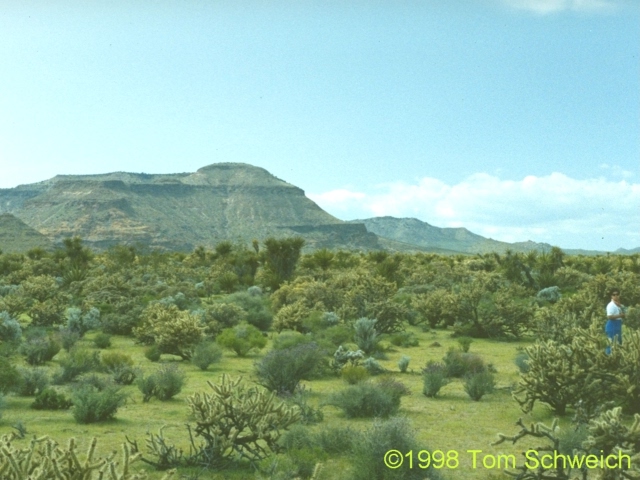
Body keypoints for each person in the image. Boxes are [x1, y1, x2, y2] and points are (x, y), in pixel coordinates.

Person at [605, 289, 625, 354]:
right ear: (611, 296)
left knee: (618, 342)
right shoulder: (611, 305)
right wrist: (620, 315)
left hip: (617, 324)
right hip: (612, 325)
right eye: (614, 295)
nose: (616, 296)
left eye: (617, 294)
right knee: (611, 343)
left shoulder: (617, 305)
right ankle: (608, 358)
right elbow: (609, 316)